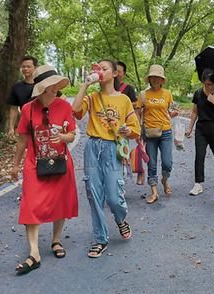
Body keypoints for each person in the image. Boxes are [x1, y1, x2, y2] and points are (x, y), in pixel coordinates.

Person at [10, 64, 78, 275]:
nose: (56, 87)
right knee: (30, 204)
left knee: (60, 201)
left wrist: (63, 137)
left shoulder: (64, 106)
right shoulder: (28, 109)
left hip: (60, 161)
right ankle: (34, 253)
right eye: (52, 84)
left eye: (57, 83)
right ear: (43, 88)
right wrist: (15, 165)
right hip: (34, 162)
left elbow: (72, 134)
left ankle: (56, 241)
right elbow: (22, 140)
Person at [72, 59, 141, 258]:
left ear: (114, 74)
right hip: (93, 147)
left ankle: (120, 219)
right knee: (94, 195)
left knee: (113, 197)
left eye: (104, 68)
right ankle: (101, 238)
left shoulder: (124, 100)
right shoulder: (92, 97)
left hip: (113, 148)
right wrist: (85, 84)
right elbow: (75, 110)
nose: (100, 71)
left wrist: (127, 130)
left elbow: (135, 130)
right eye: (98, 68)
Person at [137, 64, 178, 204]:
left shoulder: (167, 94)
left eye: (158, 77)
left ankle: (164, 180)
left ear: (162, 80)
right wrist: (137, 129)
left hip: (165, 131)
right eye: (153, 77)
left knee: (167, 163)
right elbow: (138, 113)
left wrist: (174, 113)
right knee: (152, 164)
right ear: (149, 79)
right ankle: (154, 192)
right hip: (149, 132)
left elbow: (170, 112)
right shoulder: (143, 95)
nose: (155, 79)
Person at [185, 68, 214, 196]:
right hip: (201, 128)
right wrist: (190, 128)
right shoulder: (198, 93)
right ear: (203, 82)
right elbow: (194, 112)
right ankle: (198, 184)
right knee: (199, 155)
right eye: (207, 84)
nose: (210, 86)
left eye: (212, 84)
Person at [115, 61, 144, 185]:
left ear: (124, 74)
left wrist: (138, 129)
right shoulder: (106, 88)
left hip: (124, 129)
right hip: (108, 128)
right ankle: (114, 181)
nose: (116, 74)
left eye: (119, 72)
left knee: (121, 154)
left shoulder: (128, 89)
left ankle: (120, 181)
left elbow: (136, 108)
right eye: (114, 71)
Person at [7, 56, 38, 140]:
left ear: (35, 68)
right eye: (23, 66)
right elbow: (13, 108)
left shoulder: (43, 84)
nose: (25, 69)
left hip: (43, 125)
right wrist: (11, 128)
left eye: (28, 66)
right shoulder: (17, 87)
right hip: (25, 124)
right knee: (24, 150)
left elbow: (61, 98)